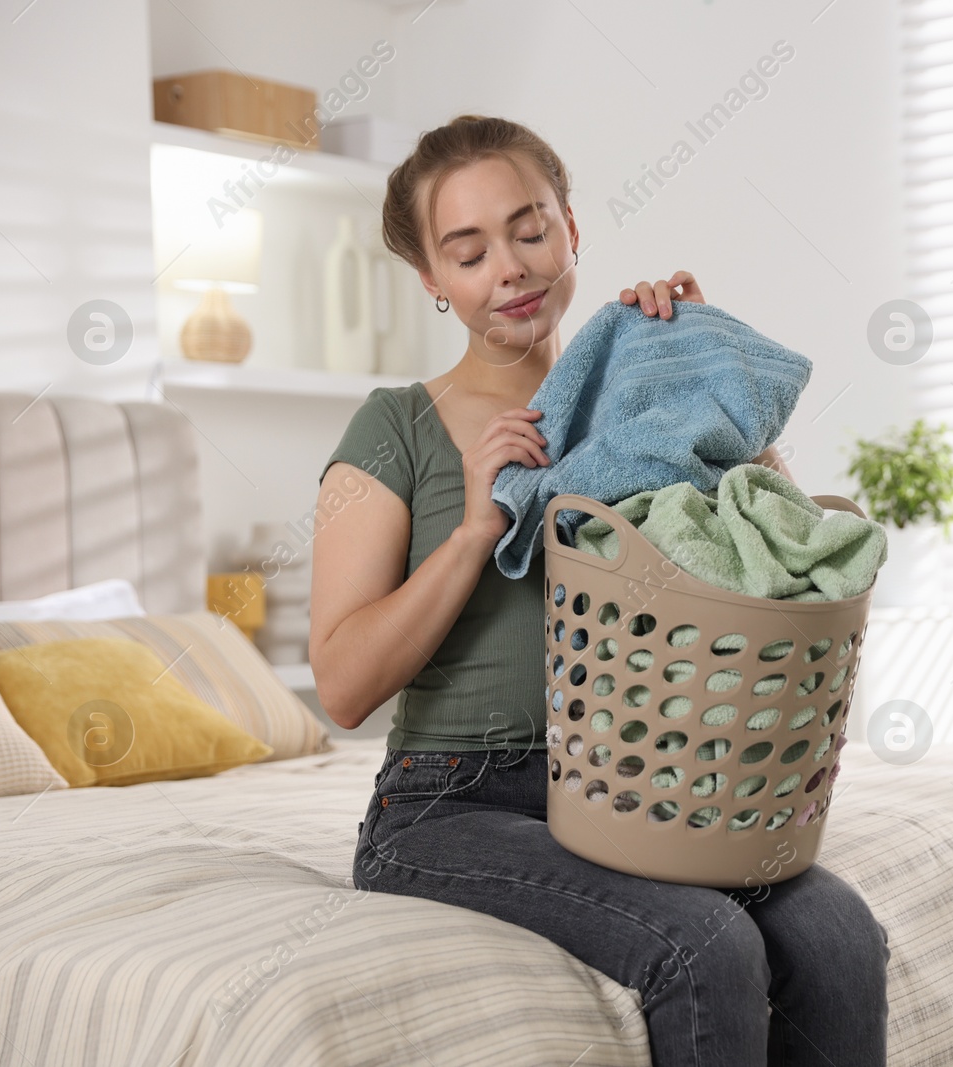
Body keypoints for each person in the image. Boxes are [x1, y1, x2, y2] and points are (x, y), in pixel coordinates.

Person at [309, 114, 889, 1067]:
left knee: (835, 933)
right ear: (434, 282)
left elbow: (758, 550)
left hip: (630, 782)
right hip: (447, 804)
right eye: (468, 251)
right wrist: (474, 532)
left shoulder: (629, 409)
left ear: (572, 231)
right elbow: (340, 685)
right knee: (704, 946)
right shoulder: (397, 428)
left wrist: (699, 368)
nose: (510, 267)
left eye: (530, 230)